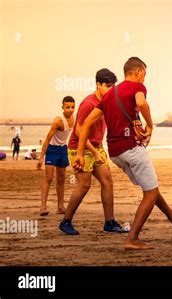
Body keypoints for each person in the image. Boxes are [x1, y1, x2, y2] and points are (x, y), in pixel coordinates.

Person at [73, 57, 172, 249]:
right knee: (150, 192)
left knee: (150, 187)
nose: (144, 78)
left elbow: (87, 123)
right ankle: (132, 238)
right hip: (132, 148)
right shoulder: (137, 88)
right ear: (138, 72)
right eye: (145, 74)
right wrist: (150, 124)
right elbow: (141, 104)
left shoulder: (109, 94)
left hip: (115, 154)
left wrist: (80, 153)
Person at [59, 68, 128, 235]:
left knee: (107, 181)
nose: (111, 89)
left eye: (113, 86)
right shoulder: (88, 103)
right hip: (79, 148)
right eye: (107, 86)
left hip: (96, 148)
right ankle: (66, 221)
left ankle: (110, 223)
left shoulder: (108, 101)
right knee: (84, 185)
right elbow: (78, 131)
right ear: (98, 85)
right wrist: (90, 152)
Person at [37, 96, 75, 216]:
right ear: (62, 107)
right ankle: (43, 207)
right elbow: (48, 139)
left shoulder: (74, 119)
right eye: (67, 107)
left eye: (72, 107)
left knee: (61, 179)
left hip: (63, 150)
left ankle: (60, 206)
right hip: (52, 150)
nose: (70, 109)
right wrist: (41, 157)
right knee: (48, 178)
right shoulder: (58, 121)